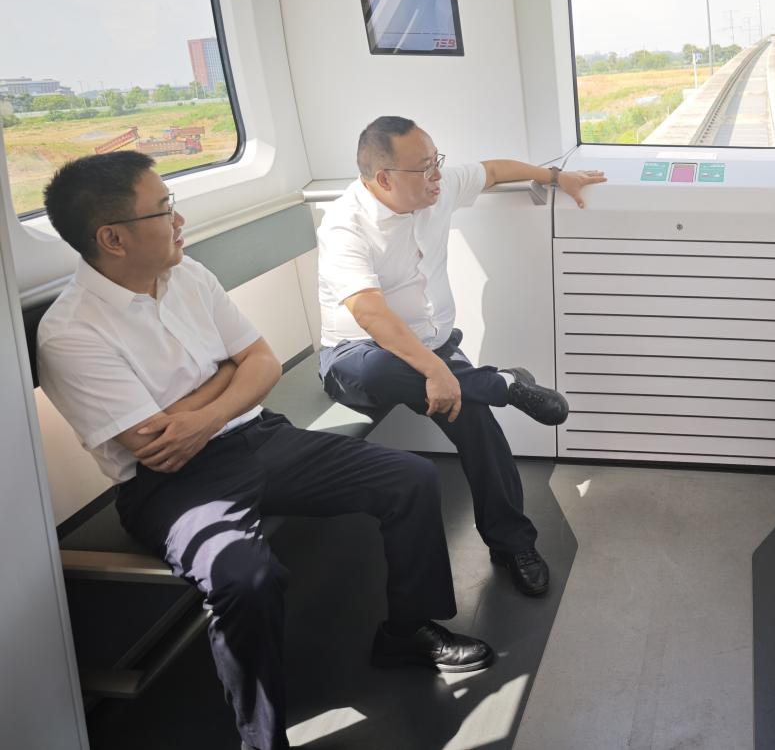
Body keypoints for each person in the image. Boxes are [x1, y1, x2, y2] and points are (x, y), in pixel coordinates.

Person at [37, 152, 492, 750]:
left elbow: (263, 363)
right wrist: (228, 375)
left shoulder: (187, 274)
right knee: (244, 579)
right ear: (112, 238)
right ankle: (261, 740)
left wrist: (210, 403)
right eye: (165, 209)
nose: (179, 220)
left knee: (409, 477)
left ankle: (405, 631)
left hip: (258, 436)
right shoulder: (71, 332)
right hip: (172, 483)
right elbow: (154, 443)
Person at [317, 115, 605, 597]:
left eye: (438, 162)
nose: (438, 175)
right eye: (424, 168)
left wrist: (557, 176)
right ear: (383, 179)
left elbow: (492, 171)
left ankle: (512, 543)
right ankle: (503, 385)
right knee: (384, 367)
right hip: (358, 356)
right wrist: (436, 371)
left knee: (477, 424)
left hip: (434, 348)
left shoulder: (435, 187)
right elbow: (370, 314)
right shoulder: (344, 225)